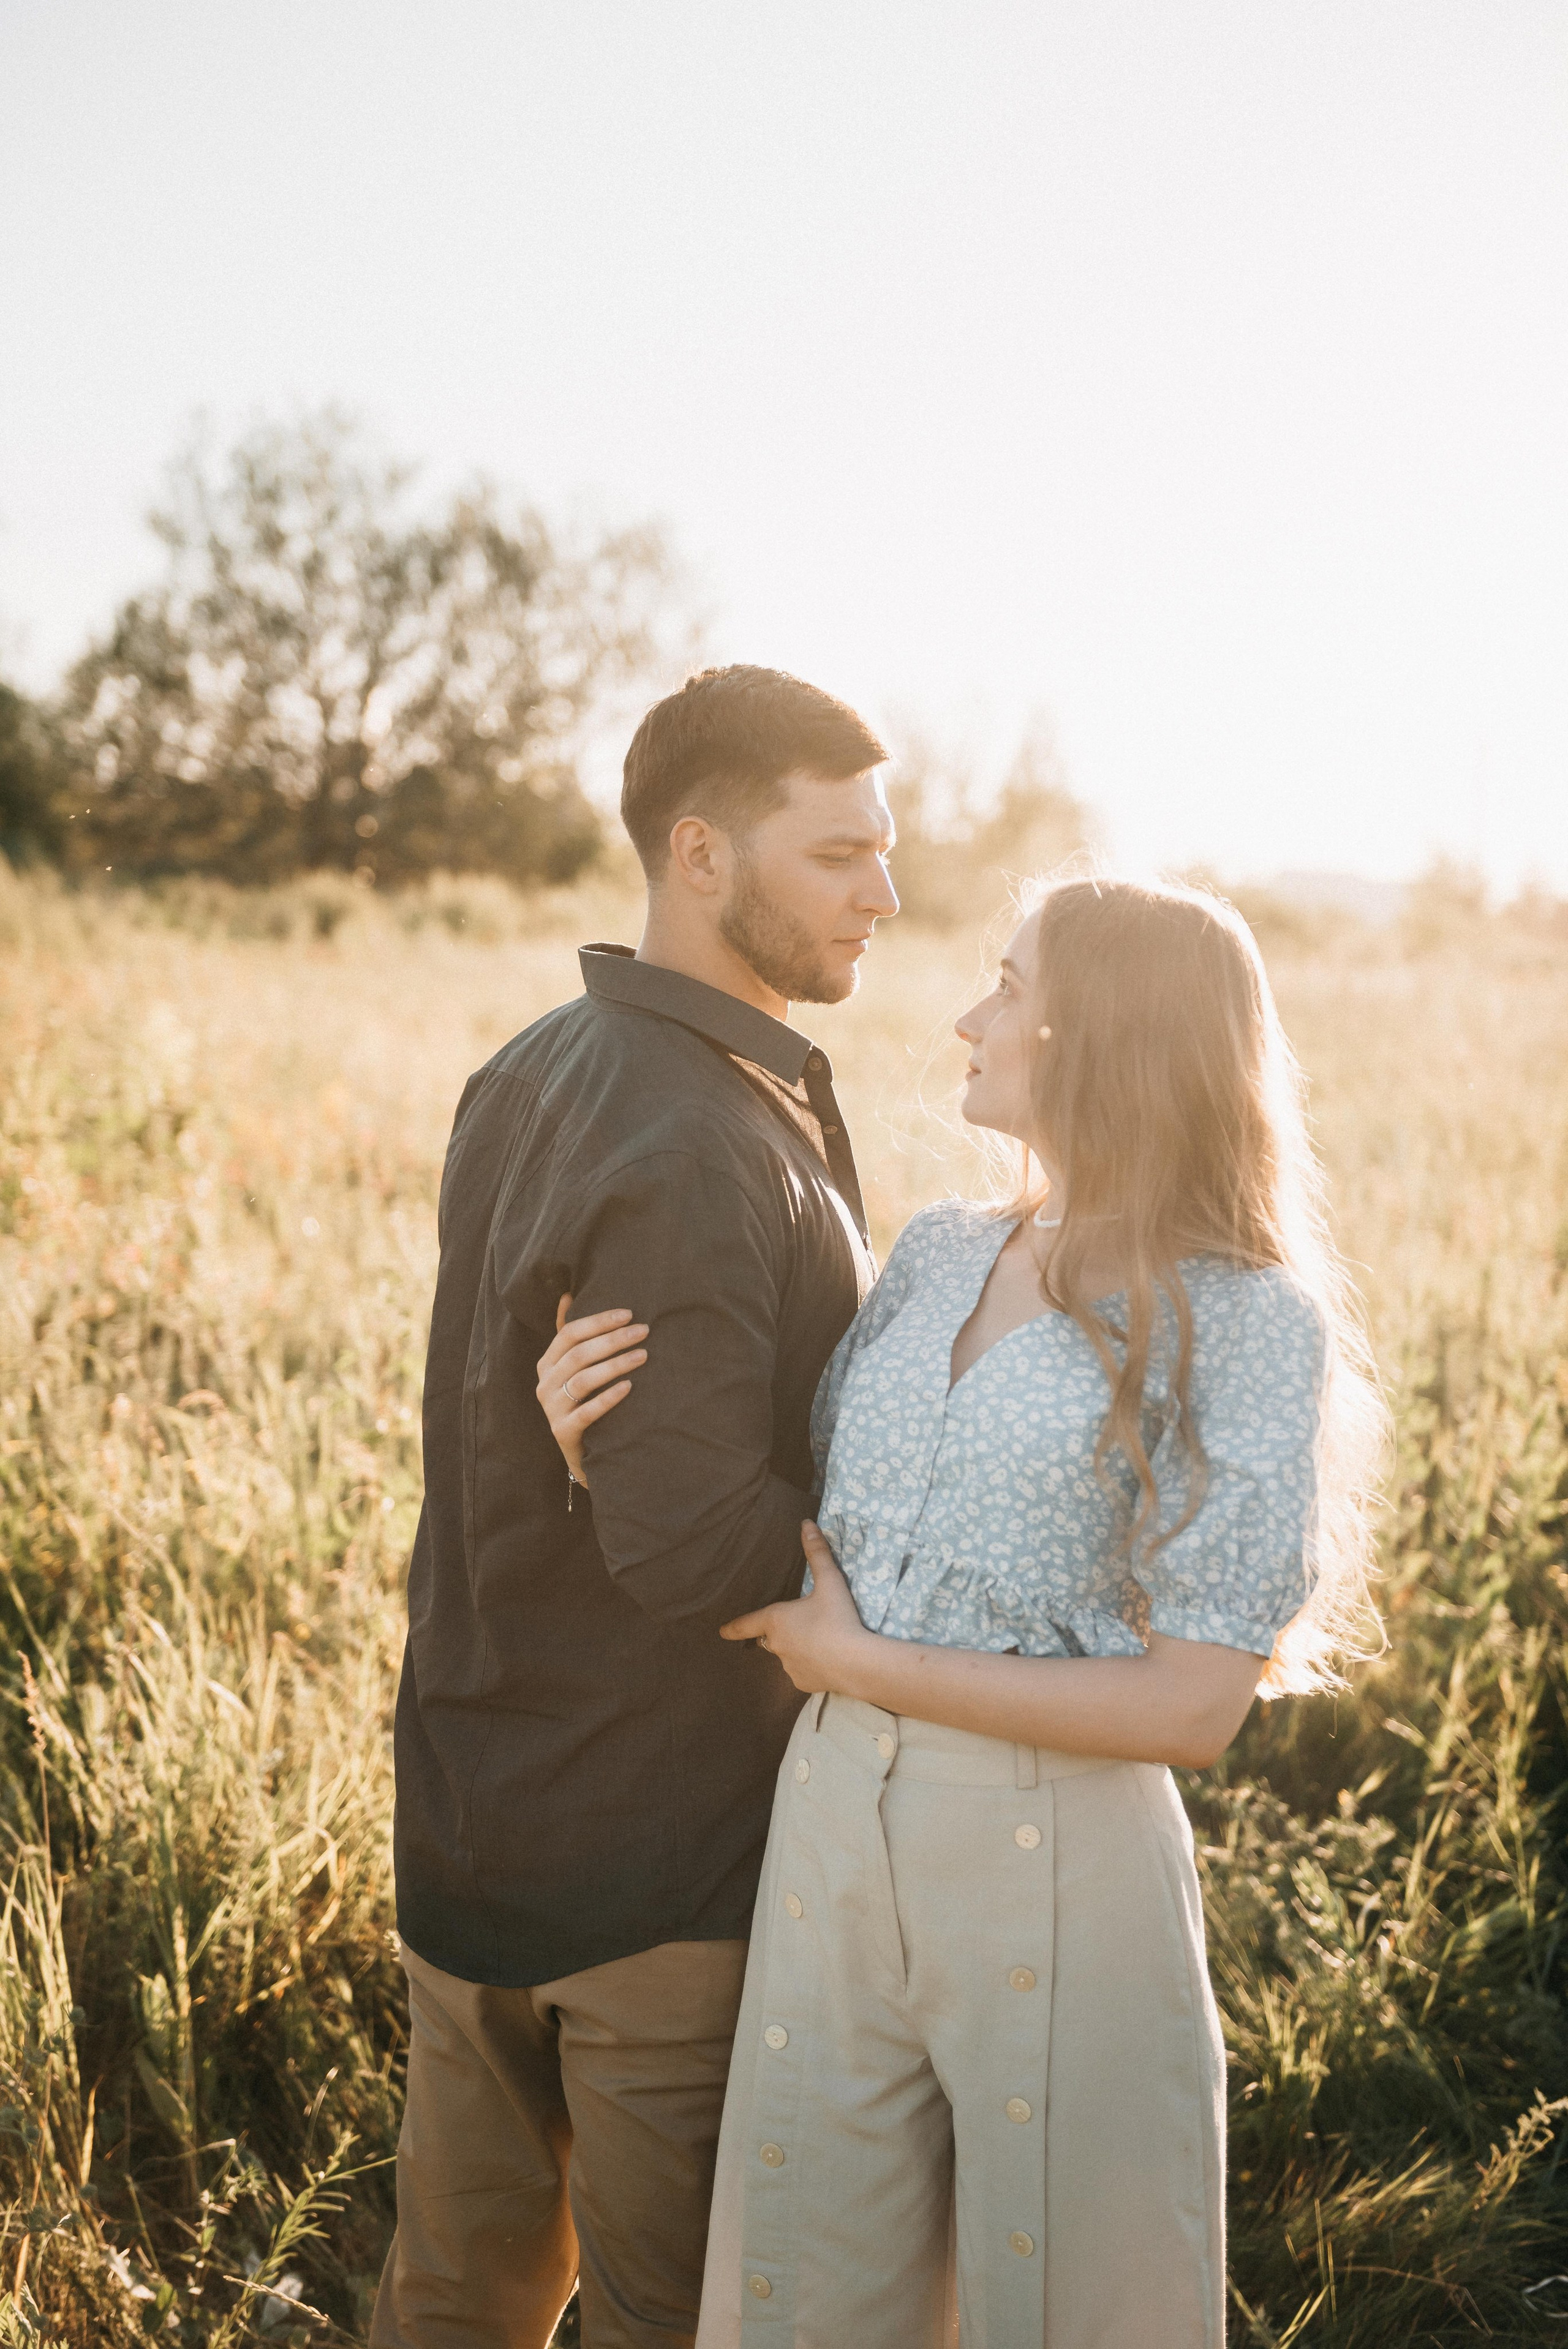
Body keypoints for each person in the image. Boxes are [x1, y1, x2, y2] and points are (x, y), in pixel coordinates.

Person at [538, 874, 1385, 2349]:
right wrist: (589, 1440)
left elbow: (1192, 1707)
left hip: (1058, 1852)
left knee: (1065, 2303)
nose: (963, 1016)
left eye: (1003, 984)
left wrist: (867, 1664)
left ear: (1095, 1032)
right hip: (831, 1828)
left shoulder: (1243, 1314)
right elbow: (796, 1511)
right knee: (801, 2298)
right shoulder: (935, 1251)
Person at [370, 665, 899, 2349]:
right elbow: (685, 1537)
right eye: (837, 854)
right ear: (700, 853)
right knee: (676, 2320)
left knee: (455, 2299)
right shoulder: (694, 1134)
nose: (884, 891)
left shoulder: (535, 1066)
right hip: (654, 1866)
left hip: (472, 1806)